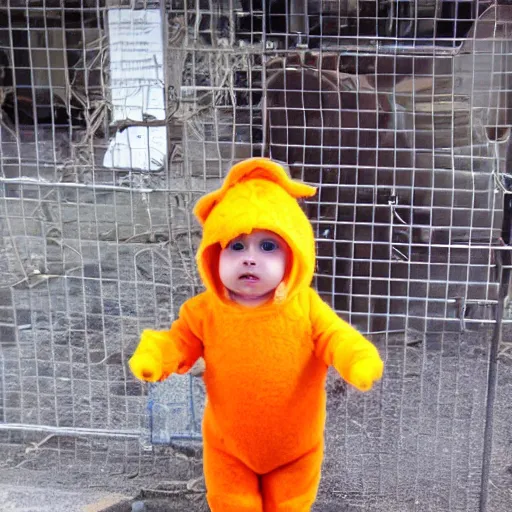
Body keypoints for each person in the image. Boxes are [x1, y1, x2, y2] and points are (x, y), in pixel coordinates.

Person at [128, 157, 384, 512]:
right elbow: (178, 340)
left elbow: (336, 337)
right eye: (236, 246)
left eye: (268, 246)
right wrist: (156, 354)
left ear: (295, 252)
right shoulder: (203, 311)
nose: (250, 259)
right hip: (229, 449)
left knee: (291, 506)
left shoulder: (305, 307)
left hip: (296, 450)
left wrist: (357, 359)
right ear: (214, 252)